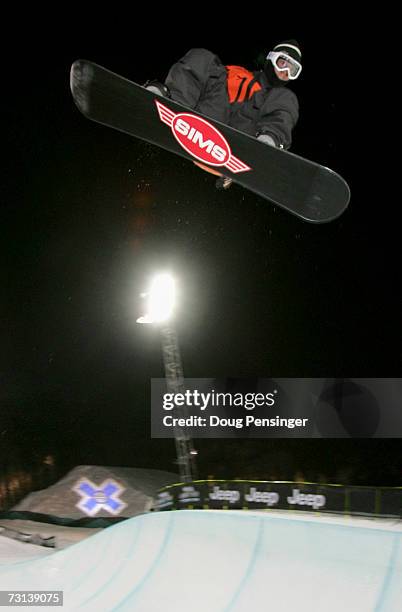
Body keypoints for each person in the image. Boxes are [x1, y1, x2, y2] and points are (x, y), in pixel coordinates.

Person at [146, 40, 302, 189]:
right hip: (205, 117)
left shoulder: (277, 97)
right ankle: (170, 102)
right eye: (282, 63)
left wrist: (266, 143)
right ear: (271, 58)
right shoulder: (235, 72)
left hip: (237, 138)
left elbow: (282, 114)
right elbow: (204, 74)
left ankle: (266, 143)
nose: (285, 72)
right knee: (202, 56)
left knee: (286, 97)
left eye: (292, 70)